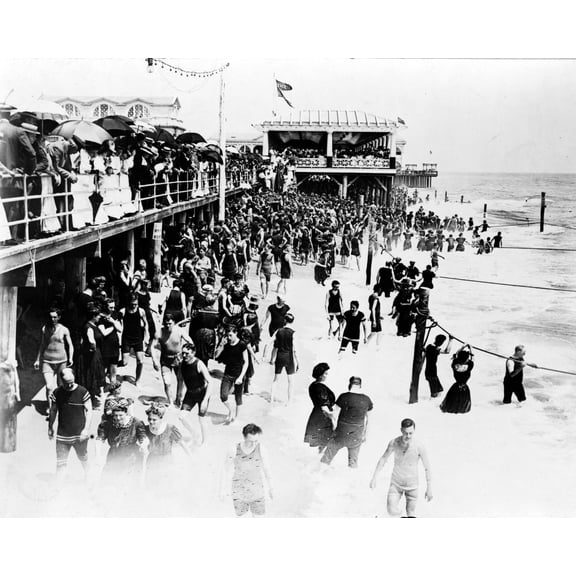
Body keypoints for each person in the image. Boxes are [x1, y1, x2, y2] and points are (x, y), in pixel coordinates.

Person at [369, 418, 433, 518]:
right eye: (406, 433)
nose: (408, 436)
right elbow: (383, 459)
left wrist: (429, 488)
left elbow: (427, 467)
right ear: (401, 430)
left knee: (410, 514)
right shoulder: (394, 443)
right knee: (391, 511)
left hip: (412, 485)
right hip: (396, 484)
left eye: (411, 433)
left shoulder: (419, 446)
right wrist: (374, 477)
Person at [48, 367, 92, 483]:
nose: (69, 386)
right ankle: (58, 486)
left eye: (71, 382)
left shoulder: (83, 392)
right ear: (61, 380)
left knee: (83, 457)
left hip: (79, 433)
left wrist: (86, 429)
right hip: (63, 434)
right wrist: (50, 427)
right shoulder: (57, 393)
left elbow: (89, 411)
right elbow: (53, 410)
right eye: (66, 383)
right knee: (61, 462)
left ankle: (89, 475)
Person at [221, 423, 273, 517]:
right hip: (239, 492)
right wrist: (223, 491)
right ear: (244, 437)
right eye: (250, 441)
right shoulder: (233, 449)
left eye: (256, 441)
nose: (253, 444)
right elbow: (225, 470)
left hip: (257, 491)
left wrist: (271, 488)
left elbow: (267, 470)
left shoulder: (261, 449)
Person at [321, 376, 373, 468]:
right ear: (360, 386)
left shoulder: (343, 396)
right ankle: (351, 479)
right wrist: (365, 436)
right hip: (356, 435)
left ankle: (318, 476)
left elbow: (334, 415)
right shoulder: (367, 400)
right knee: (353, 462)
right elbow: (369, 421)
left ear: (350, 384)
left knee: (326, 459)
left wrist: (325, 411)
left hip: (341, 433)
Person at [34, 307, 74, 415]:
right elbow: (42, 345)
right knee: (49, 386)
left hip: (61, 361)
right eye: (51, 317)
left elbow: (70, 345)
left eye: (55, 317)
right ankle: (51, 408)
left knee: (61, 385)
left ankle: (61, 405)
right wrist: (37, 360)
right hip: (47, 361)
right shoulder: (45, 328)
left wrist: (70, 357)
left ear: (59, 317)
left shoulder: (64, 329)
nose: (53, 319)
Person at [142, 402, 190, 486]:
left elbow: (182, 443)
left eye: (154, 420)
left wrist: (191, 457)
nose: (151, 422)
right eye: (149, 419)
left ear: (161, 418)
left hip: (166, 460)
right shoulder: (146, 429)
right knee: (151, 485)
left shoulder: (170, 428)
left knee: (166, 484)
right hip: (152, 460)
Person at [177, 342, 213, 445]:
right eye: (183, 353)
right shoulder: (182, 364)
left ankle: (204, 442)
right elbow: (180, 380)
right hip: (190, 394)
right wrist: (179, 395)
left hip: (202, 393)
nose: (184, 356)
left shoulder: (199, 364)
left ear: (193, 353)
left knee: (201, 419)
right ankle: (195, 434)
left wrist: (205, 400)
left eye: (187, 353)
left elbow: (210, 382)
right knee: (181, 416)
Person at [152, 313, 191, 405]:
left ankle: (178, 399)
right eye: (166, 324)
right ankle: (170, 402)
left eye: (170, 323)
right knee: (167, 382)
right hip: (165, 360)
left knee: (181, 381)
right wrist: (154, 360)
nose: (168, 326)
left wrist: (186, 355)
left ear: (174, 323)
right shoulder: (159, 332)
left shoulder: (179, 331)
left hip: (179, 359)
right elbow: (153, 346)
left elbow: (190, 342)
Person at [215, 325, 249, 424]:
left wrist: (241, 377)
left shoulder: (242, 344)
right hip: (227, 373)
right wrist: (221, 345)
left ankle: (237, 418)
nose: (229, 337)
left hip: (239, 374)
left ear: (236, 333)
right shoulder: (226, 345)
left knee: (238, 398)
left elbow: (246, 362)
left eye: (230, 335)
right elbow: (216, 357)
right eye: (227, 335)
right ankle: (231, 410)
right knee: (223, 396)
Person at [304, 363, 335, 453]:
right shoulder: (319, 388)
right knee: (325, 443)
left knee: (322, 444)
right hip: (323, 417)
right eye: (325, 374)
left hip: (316, 415)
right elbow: (324, 406)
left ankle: (320, 460)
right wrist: (333, 418)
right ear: (320, 375)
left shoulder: (313, 385)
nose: (327, 376)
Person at [119, 294, 148, 385]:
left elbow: (146, 324)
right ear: (129, 303)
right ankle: (112, 365)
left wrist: (147, 337)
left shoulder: (141, 311)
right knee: (124, 362)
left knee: (140, 360)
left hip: (138, 338)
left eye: (136, 304)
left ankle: (137, 380)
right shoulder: (123, 311)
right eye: (132, 304)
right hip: (126, 338)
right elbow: (120, 326)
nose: (134, 306)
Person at [270, 313, 298, 405]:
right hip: (289, 358)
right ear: (293, 322)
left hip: (279, 356)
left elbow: (270, 344)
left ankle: (271, 399)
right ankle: (289, 401)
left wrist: (271, 358)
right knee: (291, 381)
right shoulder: (293, 333)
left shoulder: (278, 331)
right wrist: (297, 362)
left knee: (275, 380)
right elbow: (294, 350)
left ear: (284, 321)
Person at [440, 344, 474, 414]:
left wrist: (462, 347)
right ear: (467, 359)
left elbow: (456, 355)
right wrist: (470, 348)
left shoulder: (455, 364)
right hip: (464, 386)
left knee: (453, 399)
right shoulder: (469, 366)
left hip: (456, 385)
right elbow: (472, 357)